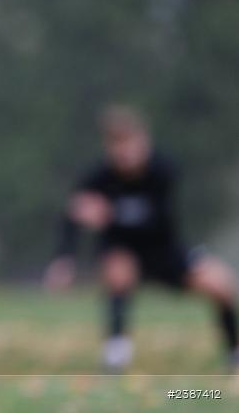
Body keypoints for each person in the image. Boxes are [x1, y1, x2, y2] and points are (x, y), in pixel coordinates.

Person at [44, 105, 239, 372]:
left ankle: (233, 353)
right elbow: (73, 215)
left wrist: (110, 213)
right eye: (117, 145)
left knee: (221, 284)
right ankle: (115, 356)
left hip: (164, 250)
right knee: (118, 268)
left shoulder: (162, 169)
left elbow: (157, 219)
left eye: (130, 143)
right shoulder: (98, 176)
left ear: (143, 141)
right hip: (123, 250)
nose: (125, 153)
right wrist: (64, 259)